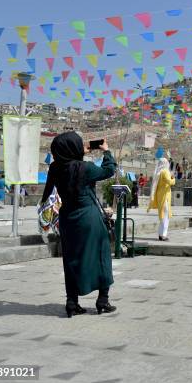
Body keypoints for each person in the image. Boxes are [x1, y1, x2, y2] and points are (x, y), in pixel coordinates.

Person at [40, 132, 116, 318]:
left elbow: (47, 193)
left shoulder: (55, 168)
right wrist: (106, 152)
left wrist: (82, 151)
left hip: (68, 220)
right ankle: (102, 301)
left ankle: (72, 303)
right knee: (101, 255)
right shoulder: (86, 168)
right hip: (89, 217)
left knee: (71, 260)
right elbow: (108, 170)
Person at [147, 158, 176, 241]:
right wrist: (173, 178)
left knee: (162, 215)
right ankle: (163, 235)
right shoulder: (165, 172)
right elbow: (170, 182)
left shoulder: (158, 173)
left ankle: (160, 234)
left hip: (160, 196)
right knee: (165, 216)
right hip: (165, 196)